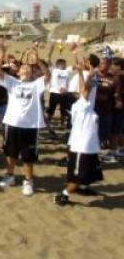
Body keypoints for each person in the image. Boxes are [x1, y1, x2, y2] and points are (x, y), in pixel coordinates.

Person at [0, 43, 51, 196]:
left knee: (28, 157)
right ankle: (10, 176)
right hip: (13, 123)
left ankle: (28, 181)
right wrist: (3, 53)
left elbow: (47, 75)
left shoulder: (36, 84)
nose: (26, 69)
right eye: (23, 68)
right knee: (11, 153)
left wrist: (38, 60)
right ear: (18, 72)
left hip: (31, 125)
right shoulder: (12, 82)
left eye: (29, 68)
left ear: (32, 73)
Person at [55, 55, 103, 206]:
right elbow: (85, 89)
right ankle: (64, 194)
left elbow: (85, 88)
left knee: (89, 171)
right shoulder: (82, 105)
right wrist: (85, 72)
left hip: (88, 143)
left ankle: (83, 187)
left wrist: (85, 72)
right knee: (79, 173)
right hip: (82, 145)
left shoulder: (83, 103)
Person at [46, 45, 72, 129]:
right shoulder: (54, 70)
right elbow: (48, 59)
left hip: (64, 93)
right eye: (62, 64)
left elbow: (76, 67)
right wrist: (51, 50)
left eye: (64, 64)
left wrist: (75, 53)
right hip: (54, 93)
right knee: (51, 109)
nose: (63, 65)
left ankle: (62, 125)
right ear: (57, 65)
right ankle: (48, 123)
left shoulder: (67, 71)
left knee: (63, 110)